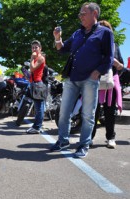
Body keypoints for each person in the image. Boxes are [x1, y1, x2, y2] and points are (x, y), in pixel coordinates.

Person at [51, 2, 114, 158]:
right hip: (72, 78)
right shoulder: (77, 33)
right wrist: (57, 38)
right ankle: (63, 141)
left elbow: (109, 57)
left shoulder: (105, 33)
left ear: (94, 14)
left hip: (89, 80)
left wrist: (97, 72)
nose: (80, 16)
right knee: (64, 113)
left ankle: (83, 144)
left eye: (83, 13)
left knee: (87, 115)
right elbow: (62, 49)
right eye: (80, 14)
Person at [91, 20, 124, 149]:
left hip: (110, 83)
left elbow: (121, 67)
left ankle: (110, 137)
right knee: (93, 112)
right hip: (96, 82)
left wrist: (114, 62)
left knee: (110, 112)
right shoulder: (93, 45)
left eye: (105, 29)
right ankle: (89, 137)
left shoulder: (115, 46)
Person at [25, 40, 46, 134]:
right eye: (33, 47)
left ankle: (37, 127)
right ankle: (37, 126)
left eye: (36, 47)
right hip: (34, 84)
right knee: (38, 108)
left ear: (40, 49)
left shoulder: (40, 58)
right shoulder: (36, 58)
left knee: (39, 108)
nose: (34, 49)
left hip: (38, 84)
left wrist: (31, 58)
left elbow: (32, 68)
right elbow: (32, 72)